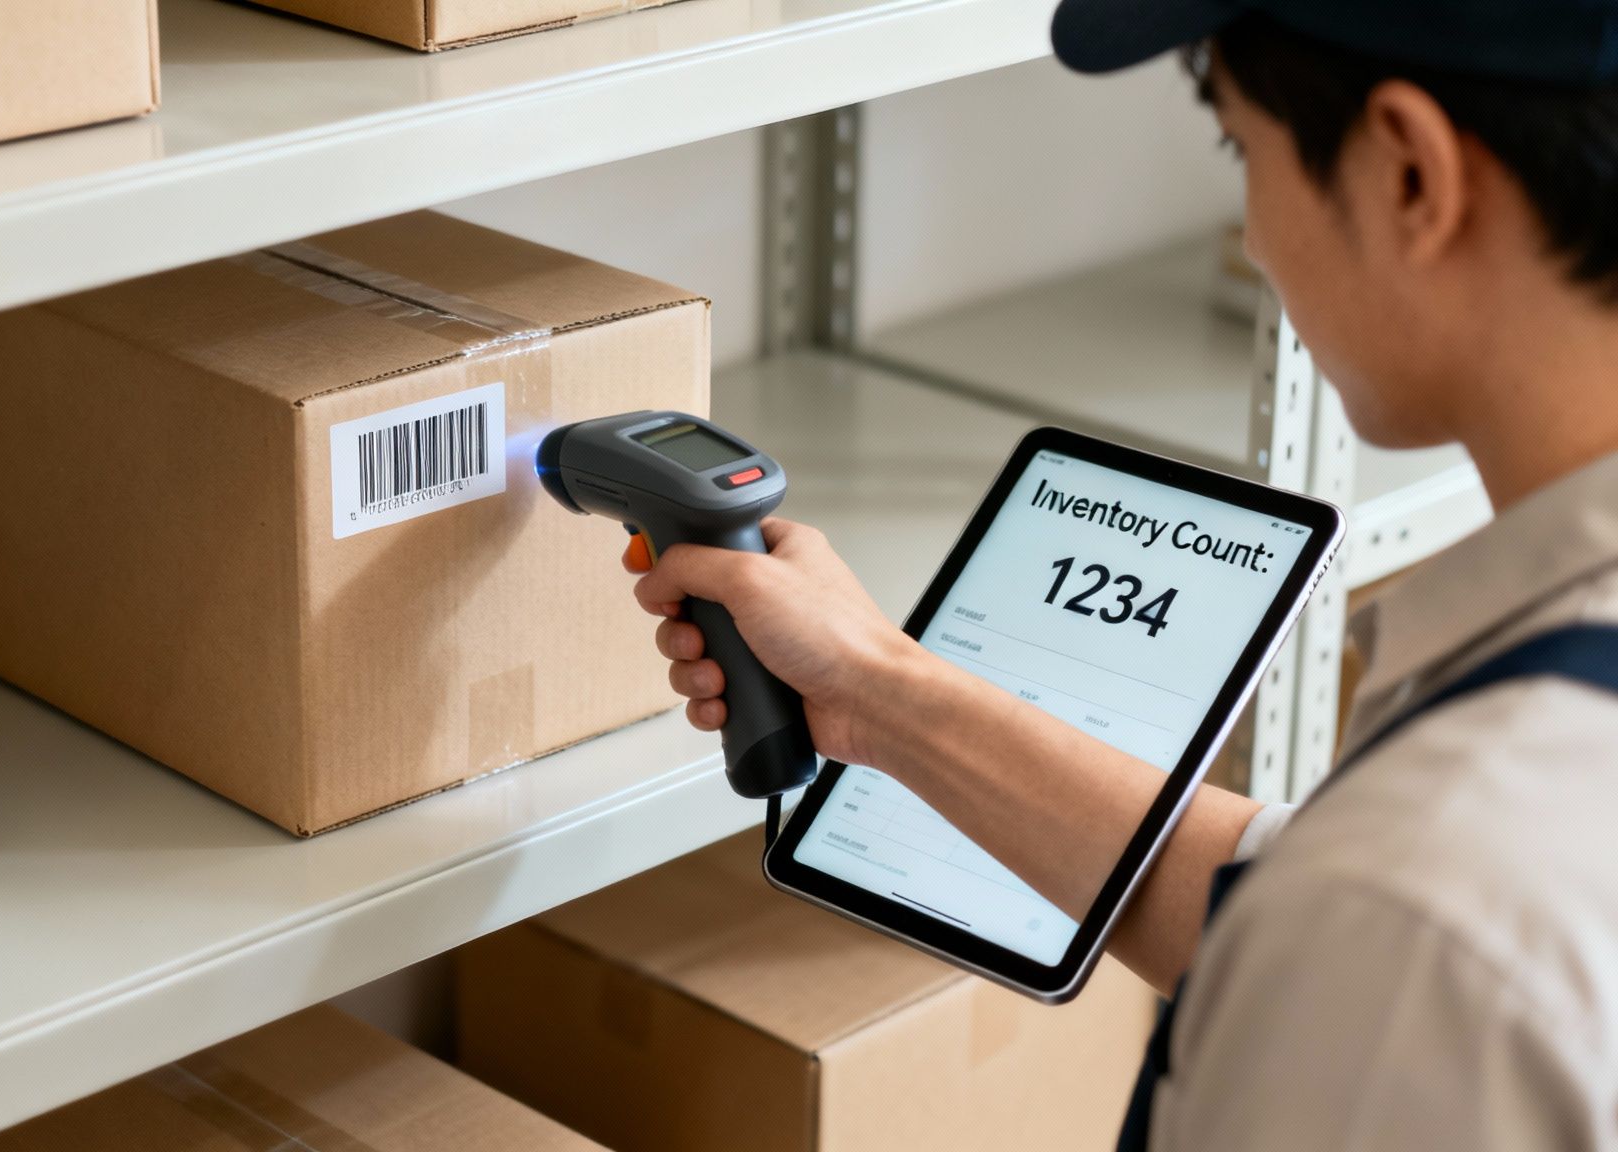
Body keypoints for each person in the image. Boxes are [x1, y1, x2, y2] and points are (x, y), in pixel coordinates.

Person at [622, 1, 1618, 1146]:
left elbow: (1369, 931)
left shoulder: (1415, 917)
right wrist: (879, 692)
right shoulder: (1440, 895)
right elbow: (1285, 901)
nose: (1248, 238)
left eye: (1238, 148)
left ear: (1407, 173)